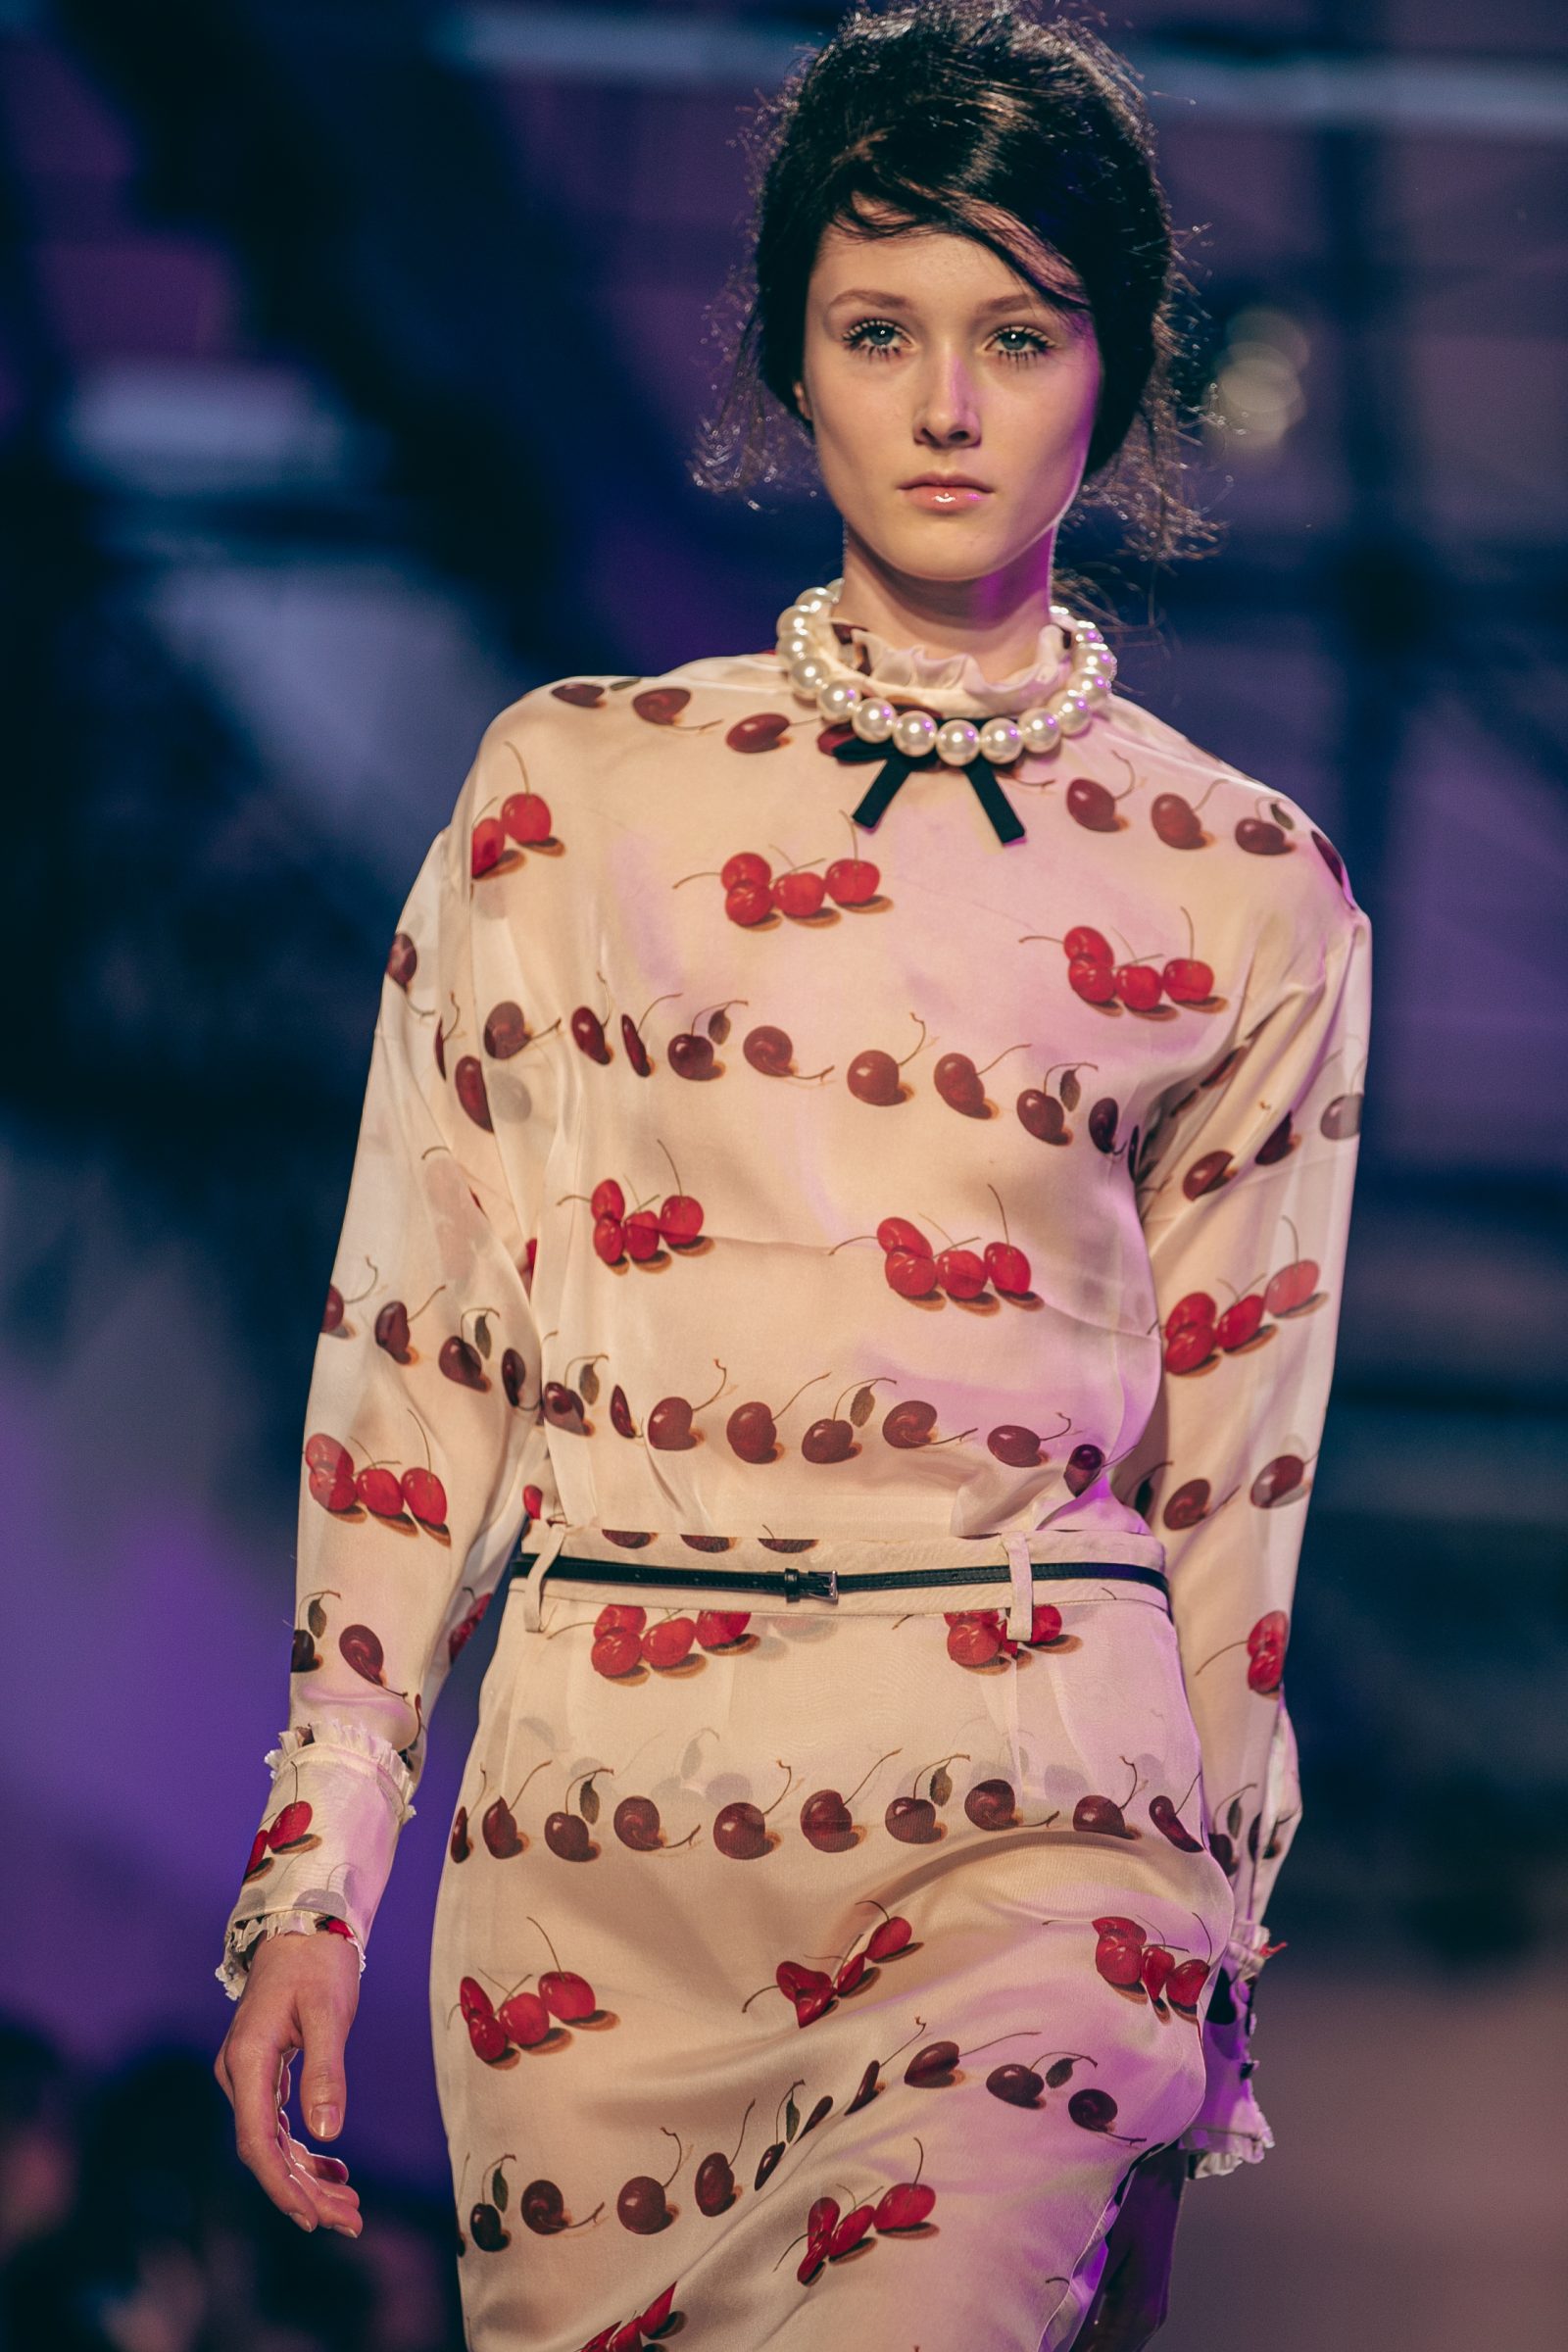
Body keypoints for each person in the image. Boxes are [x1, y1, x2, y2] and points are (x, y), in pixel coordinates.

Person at [212, 6, 1373, 2347]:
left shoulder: (1245, 885)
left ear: (1111, 369)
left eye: (1015, 334)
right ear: (785, 358)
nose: (945, 404)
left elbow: (1229, 1490)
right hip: (602, 1861)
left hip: (1033, 1826)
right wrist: (320, 1863)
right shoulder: (572, 799)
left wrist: (1205, 2002)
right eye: (875, 330)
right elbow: (424, 1348)